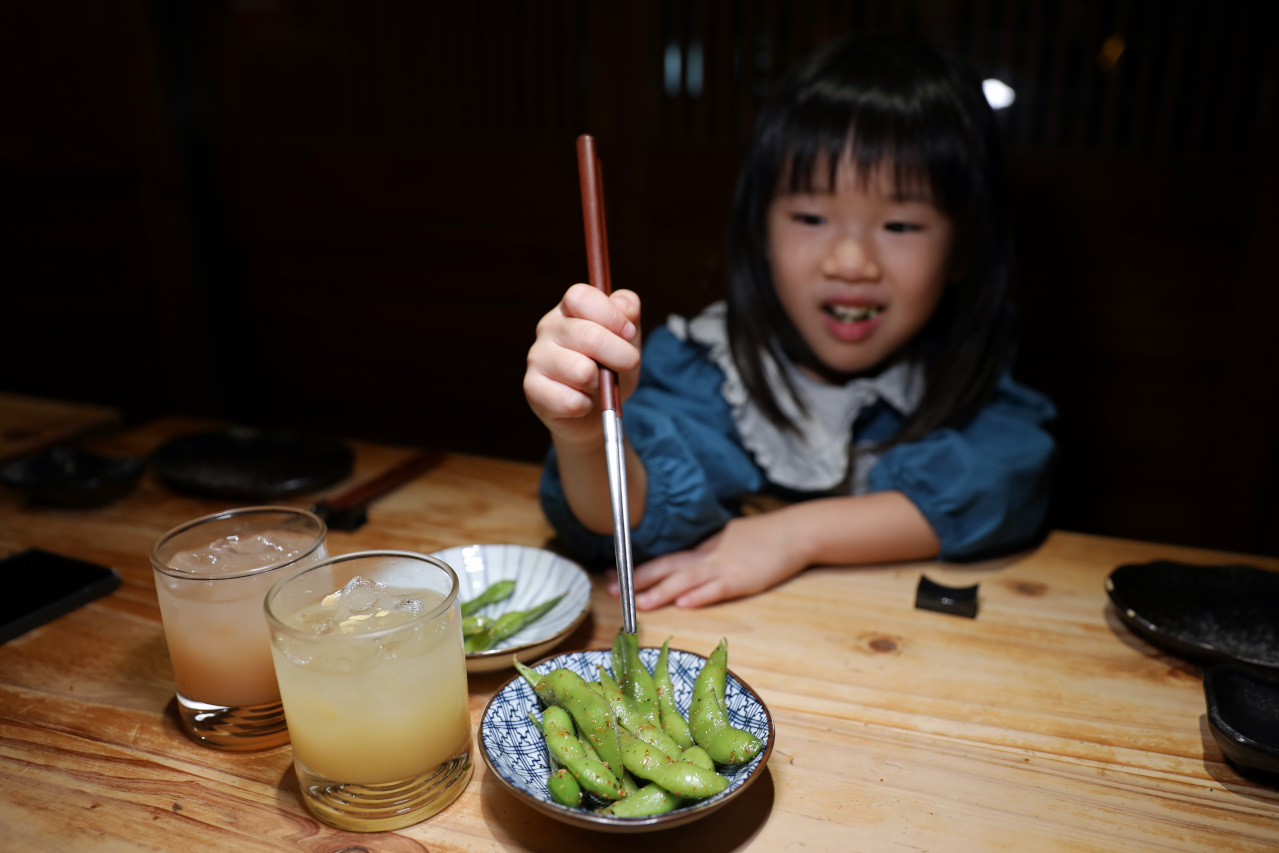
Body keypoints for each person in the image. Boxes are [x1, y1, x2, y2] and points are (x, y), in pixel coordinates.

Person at [523, 33, 1056, 611]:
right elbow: (624, 521)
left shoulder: (964, 370)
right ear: (762, 233)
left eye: (900, 225)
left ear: (962, 248)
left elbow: (1006, 482)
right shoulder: (709, 366)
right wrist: (581, 438)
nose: (851, 263)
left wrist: (795, 535)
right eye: (810, 216)